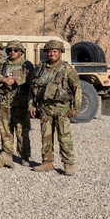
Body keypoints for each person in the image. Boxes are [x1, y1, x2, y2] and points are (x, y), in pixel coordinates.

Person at [30, 40, 81, 176]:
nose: (52, 54)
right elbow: (33, 87)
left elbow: (77, 89)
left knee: (64, 137)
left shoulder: (67, 69)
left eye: (55, 51)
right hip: (45, 108)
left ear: (60, 53)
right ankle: (47, 162)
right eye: (50, 51)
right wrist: (31, 105)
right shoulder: (40, 68)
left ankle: (68, 164)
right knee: (46, 137)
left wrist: (75, 108)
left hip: (61, 109)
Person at [0, 40, 35, 166]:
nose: (12, 52)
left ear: (21, 51)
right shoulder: (3, 64)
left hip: (20, 102)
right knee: (5, 130)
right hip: (5, 102)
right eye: (9, 50)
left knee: (22, 131)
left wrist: (17, 80)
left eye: (15, 50)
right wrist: (3, 79)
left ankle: (24, 156)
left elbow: (32, 80)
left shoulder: (27, 65)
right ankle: (7, 153)